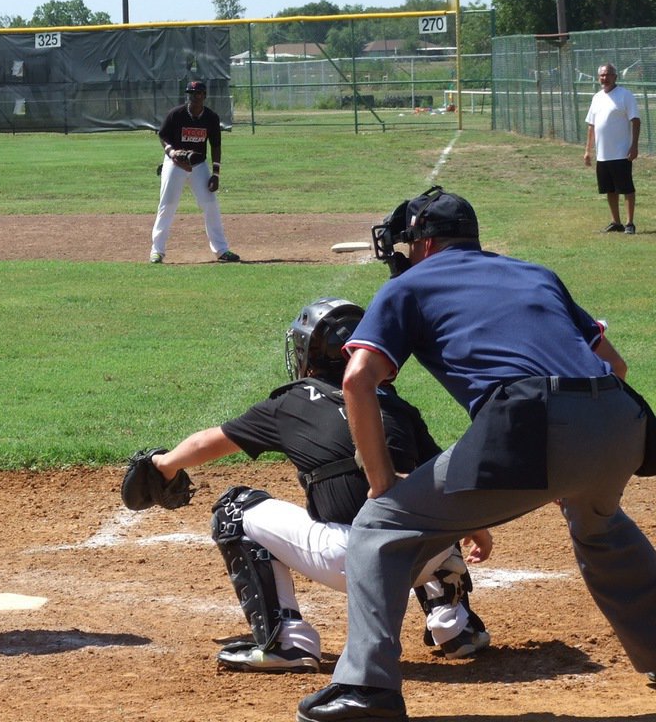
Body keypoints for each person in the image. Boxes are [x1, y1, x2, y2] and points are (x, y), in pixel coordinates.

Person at [298, 186, 656, 722]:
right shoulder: (535, 272)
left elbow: (357, 380)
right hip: (623, 418)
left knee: (378, 530)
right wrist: (573, 463)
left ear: (421, 243)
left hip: (530, 421)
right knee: (601, 527)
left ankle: (366, 689)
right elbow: (616, 367)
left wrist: (379, 484)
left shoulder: (410, 285)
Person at [143, 298, 491, 675]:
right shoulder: (396, 406)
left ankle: (286, 642)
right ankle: (454, 626)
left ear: (310, 352)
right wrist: (475, 526)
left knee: (235, 509)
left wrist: (164, 464)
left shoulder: (290, 403)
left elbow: (209, 442)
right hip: (427, 554)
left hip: (353, 560)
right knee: (423, 496)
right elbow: (448, 479)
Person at [150, 80, 240, 264]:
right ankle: (157, 251)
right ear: (188, 96)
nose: (196, 96)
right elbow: (163, 135)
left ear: (205, 96)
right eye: (192, 93)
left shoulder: (211, 118)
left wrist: (216, 174)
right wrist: (171, 152)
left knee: (210, 204)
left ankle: (221, 250)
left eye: (199, 93)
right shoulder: (176, 114)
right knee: (167, 205)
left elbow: (215, 145)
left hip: (199, 165)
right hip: (175, 163)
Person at [583, 62, 641, 234]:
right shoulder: (597, 98)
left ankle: (630, 223)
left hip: (621, 153)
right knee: (609, 189)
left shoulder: (625, 95)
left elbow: (635, 120)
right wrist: (588, 151)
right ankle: (616, 222)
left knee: (626, 188)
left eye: (608, 74)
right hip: (603, 154)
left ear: (615, 76)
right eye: (601, 75)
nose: (604, 78)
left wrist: (634, 146)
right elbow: (591, 126)